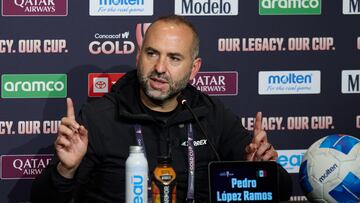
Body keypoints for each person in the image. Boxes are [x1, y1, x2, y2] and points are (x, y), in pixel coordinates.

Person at [31, 15, 291, 202]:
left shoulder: (211, 114)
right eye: (152, 53)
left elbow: (282, 190)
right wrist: (66, 171)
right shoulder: (98, 118)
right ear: (138, 56)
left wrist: (260, 172)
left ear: (194, 68)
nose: (159, 68)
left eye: (174, 58)